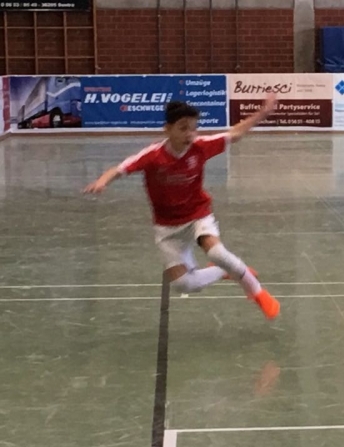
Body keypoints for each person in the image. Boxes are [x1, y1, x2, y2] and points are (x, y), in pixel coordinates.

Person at [83, 94, 281, 320]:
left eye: (193, 128)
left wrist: (262, 113)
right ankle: (222, 271)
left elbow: (234, 134)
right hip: (167, 228)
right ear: (167, 129)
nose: (189, 134)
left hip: (197, 215)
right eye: (183, 128)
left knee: (217, 252)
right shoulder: (152, 156)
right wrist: (102, 181)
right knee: (184, 284)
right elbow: (120, 169)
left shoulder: (200, 147)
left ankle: (257, 292)